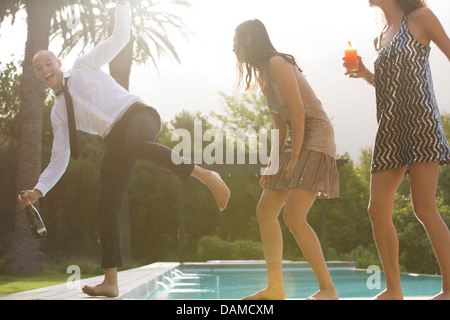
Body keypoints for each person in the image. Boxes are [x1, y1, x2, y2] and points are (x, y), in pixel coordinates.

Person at [18, 0, 230, 298]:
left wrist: (122, 4)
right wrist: (38, 190)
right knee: (107, 202)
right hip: (114, 139)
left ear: (59, 63)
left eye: (48, 62)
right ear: (39, 76)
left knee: (136, 144)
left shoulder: (83, 65)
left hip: (138, 114)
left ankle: (204, 173)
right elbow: (59, 158)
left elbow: (120, 38)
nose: (44, 69)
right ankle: (111, 281)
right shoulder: (57, 114)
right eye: (38, 68)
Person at [344, 0, 450, 300]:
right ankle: (393, 289)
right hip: (390, 129)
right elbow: (389, 85)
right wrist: (365, 73)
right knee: (377, 209)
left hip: (420, 123)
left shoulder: (420, 17)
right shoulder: (381, 35)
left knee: (424, 209)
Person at [233, 19, 340, 300]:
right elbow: (281, 126)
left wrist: (293, 159)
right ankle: (275, 288)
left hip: (315, 134)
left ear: (247, 40)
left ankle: (328, 290)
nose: (232, 47)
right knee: (266, 210)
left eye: (235, 41)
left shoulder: (278, 63)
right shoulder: (263, 75)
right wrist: (273, 165)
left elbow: (299, 111)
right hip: (296, 136)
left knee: (293, 216)